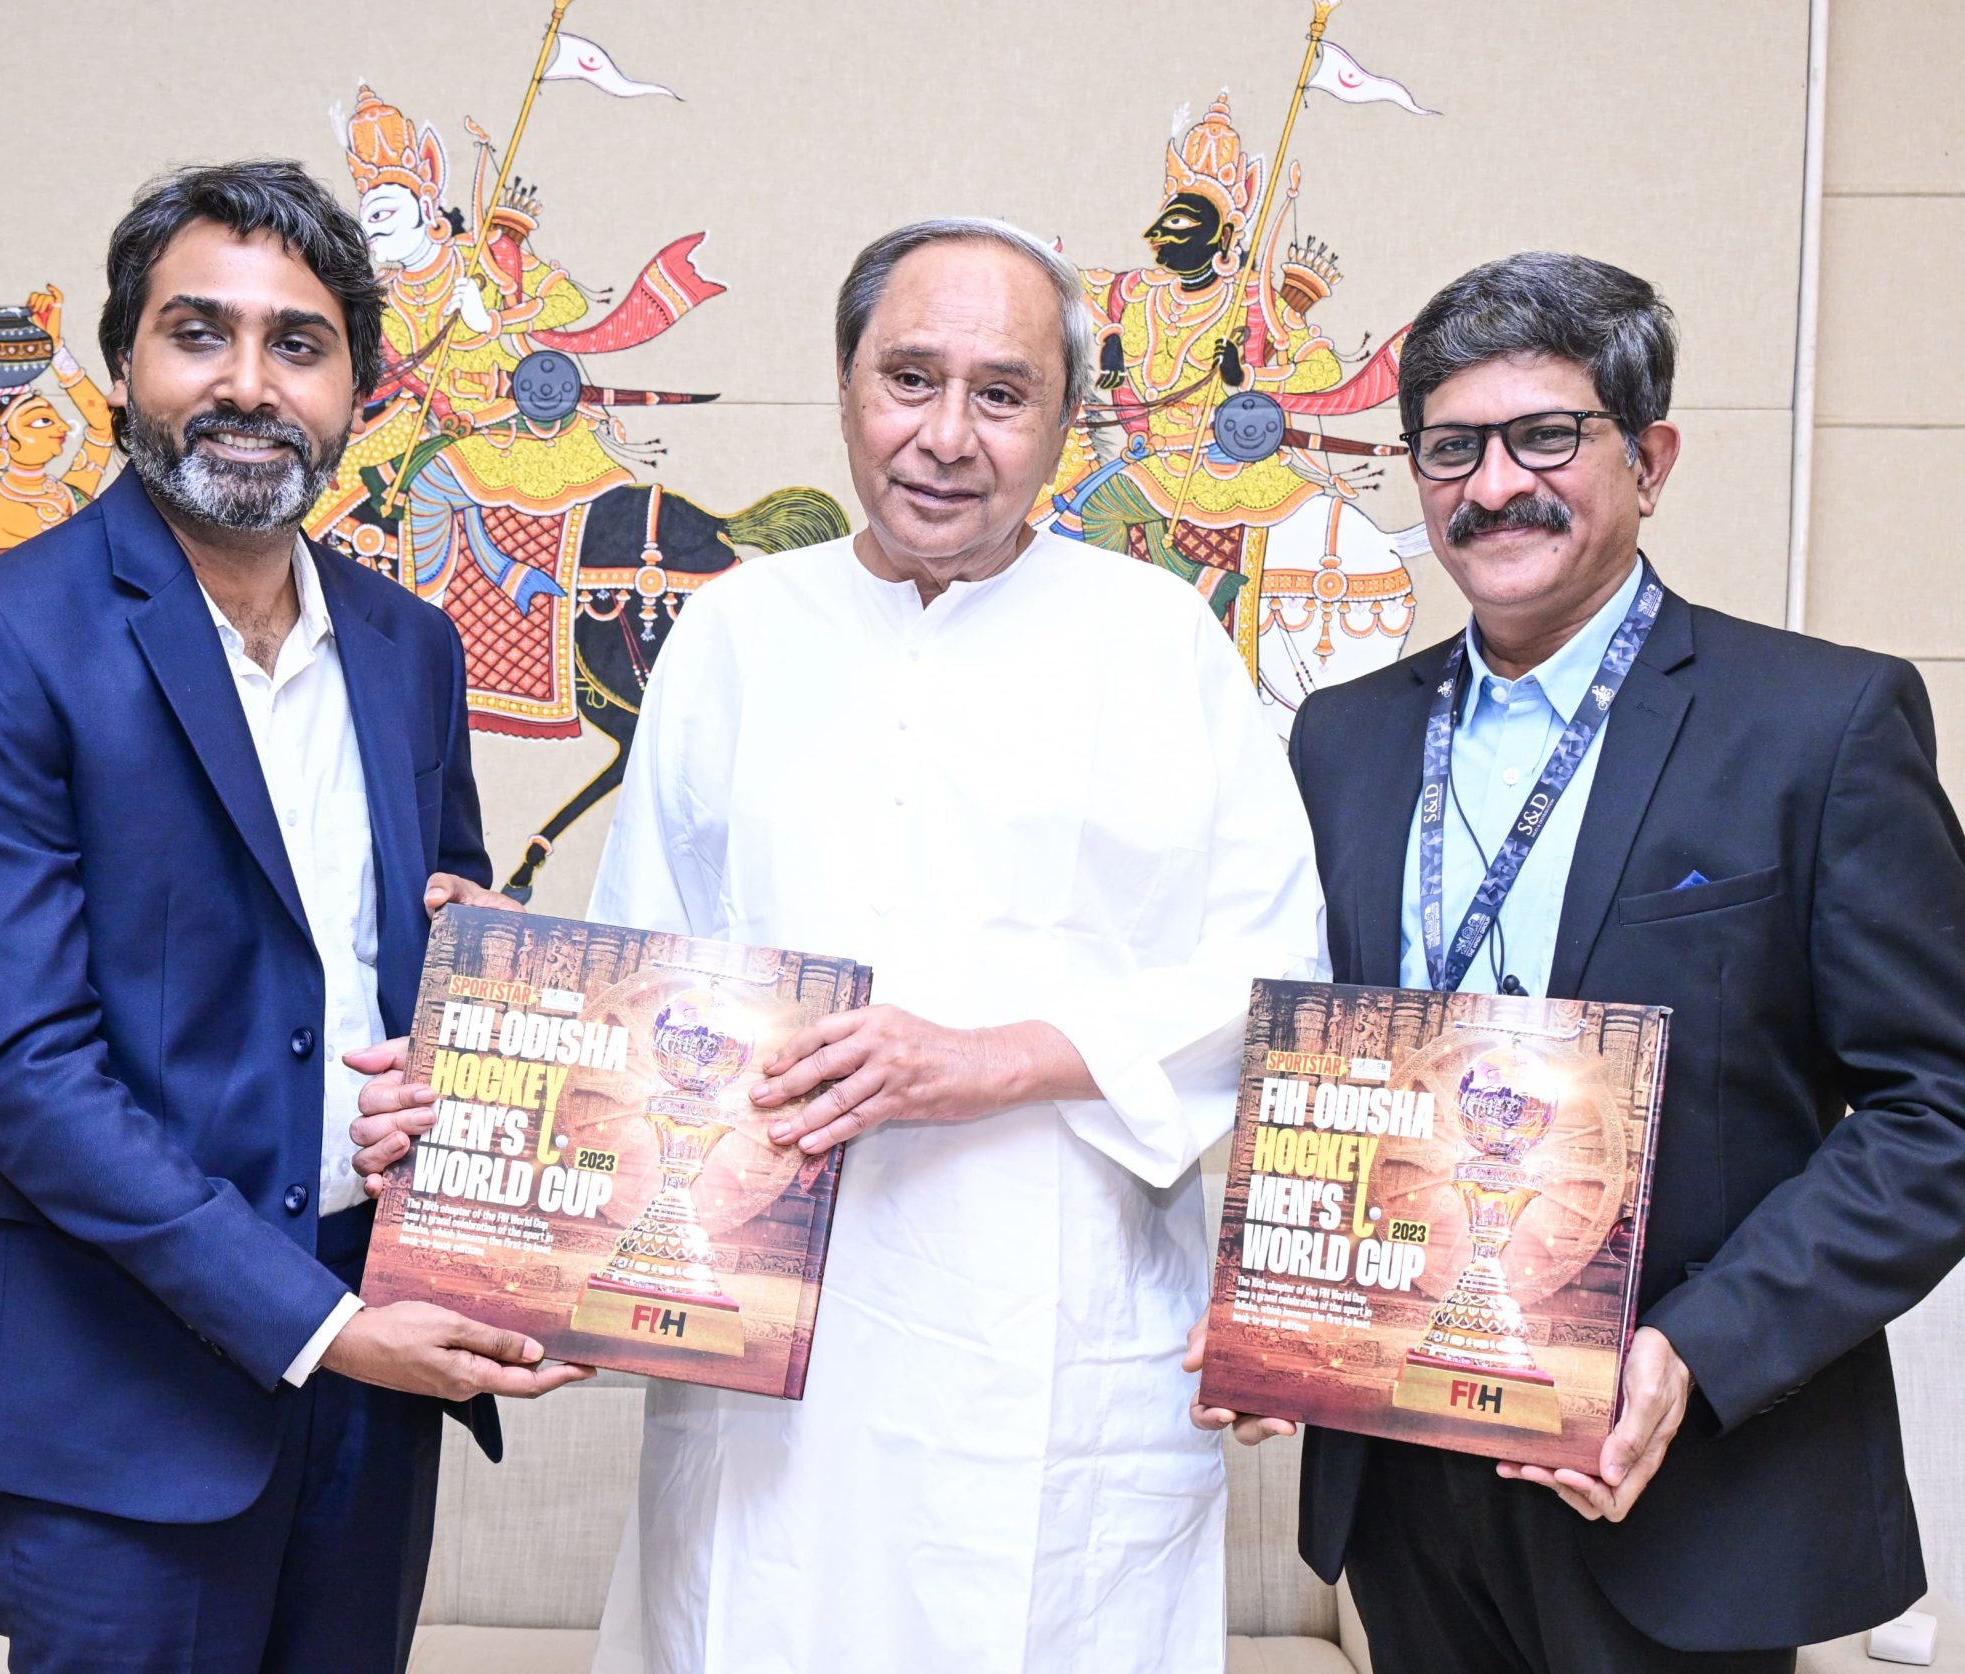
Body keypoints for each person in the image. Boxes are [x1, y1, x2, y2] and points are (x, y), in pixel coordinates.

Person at [351, 217, 1326, 1672]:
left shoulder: (1159, 639)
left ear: (1068, 418)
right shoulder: (736, 633)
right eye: (909, 379)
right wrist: (513, 1007)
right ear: (846, 381)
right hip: (763, 1345)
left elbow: (1272, 981)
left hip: (1051, 1333)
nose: (947, 436)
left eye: (1002, 393)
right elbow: (649, 971)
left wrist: (996, 1060)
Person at [1194, 251, 1965, 1671]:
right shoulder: (1342, 739)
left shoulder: (1819, 724)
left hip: (1676, 1479)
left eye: (1546, 436)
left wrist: (1699, 1347)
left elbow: (1961, 1109)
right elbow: (1328, 1060)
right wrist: (1291, 1303)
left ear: (1649, 461)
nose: (1492, 485)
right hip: (1401, 1470)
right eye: (1451, 447)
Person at [0, 159, 586, 1674]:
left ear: (359, 391)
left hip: (377, 1382)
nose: (249, 384)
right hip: (116, 1407)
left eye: (298, 343)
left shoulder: (408, 647)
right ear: (123, 362)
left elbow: (424, 954)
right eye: (200, 333)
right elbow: (30, 1076)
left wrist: (477, 999)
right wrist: (320, 1325)